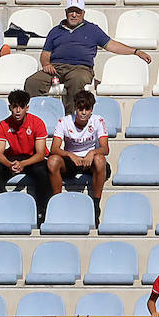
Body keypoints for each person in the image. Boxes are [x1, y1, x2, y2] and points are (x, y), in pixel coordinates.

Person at [24, 0, 151, 114]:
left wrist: (136, 51)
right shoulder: (55, 31)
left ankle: (70, 120)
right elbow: (45, 54)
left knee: (76, 81)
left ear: (83, 13)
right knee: (32, 82)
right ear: (66, 12)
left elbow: (112, 45)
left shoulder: (92, 29)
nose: (74, 15)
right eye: (71, 11)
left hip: (80, 68)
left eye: (78, 12)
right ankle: (35, 117)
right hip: (56, 68)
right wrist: (46, 64)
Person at [0, 88, 51, 224]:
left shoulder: (37, 123)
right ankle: (2, 209)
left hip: (32, 158)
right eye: (15, 107)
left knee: (42, 171)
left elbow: (40, 154)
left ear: (27, 107)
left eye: (21, 107)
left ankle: (42, 212)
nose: (18, 111)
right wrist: (10, 165)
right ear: (10, 107)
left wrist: (23, 164)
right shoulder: (4, 124)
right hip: (14, 158)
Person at [47, 89, 110, 225]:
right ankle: (57, 203)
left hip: (90, 160)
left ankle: (95, 204)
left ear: (91, 110)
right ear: (75, 108)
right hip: (71, 160)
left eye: (87, 109)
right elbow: (54, 149)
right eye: (80, 108)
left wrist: (92, 153)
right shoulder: (64, 121)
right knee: (52, 161)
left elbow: (105, 149)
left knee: (100, 160)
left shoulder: (98, 121)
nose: (83, 112)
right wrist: (70, 155)